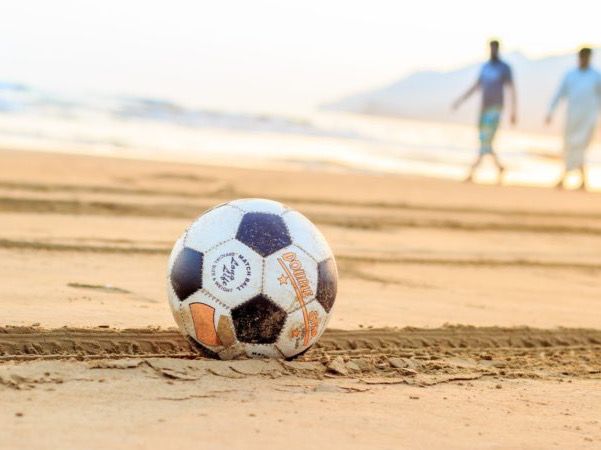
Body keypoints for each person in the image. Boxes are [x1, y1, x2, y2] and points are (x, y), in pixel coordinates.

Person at [453, 40, 517, 183]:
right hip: (483, 109)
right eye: (491, 48)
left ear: (498, 49)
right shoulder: (485, 67)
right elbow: (476, 86)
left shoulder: (504, 68)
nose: (493, 51)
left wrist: (513, 111)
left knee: (486, 140)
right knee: (484, 140)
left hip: (495, 109)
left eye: (495, 48)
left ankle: (472, 171)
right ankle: (499, 167)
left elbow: (512, 89)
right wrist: (460, 100)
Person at [546, 47, 601, 190]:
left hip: (588, 120)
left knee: (580, 148)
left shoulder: (596, 76)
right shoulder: (570, 75)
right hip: (572, 119)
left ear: (589, 58)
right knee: (569, 147)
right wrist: (550, 111)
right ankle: (579, 180)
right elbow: (559, 93)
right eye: (582, 57)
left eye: (586, 57)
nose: (584, 59)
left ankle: (568, 179)